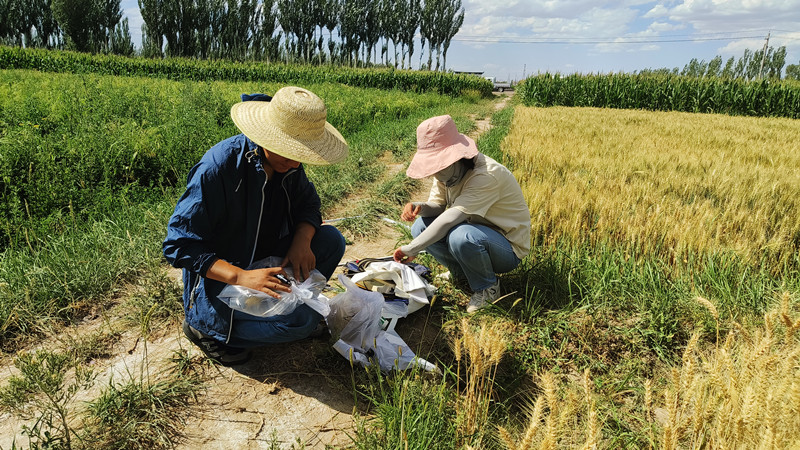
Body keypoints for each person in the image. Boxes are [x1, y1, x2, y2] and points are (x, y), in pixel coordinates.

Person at [163, 86, 348, 366]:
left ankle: (278, 312)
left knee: (331, 239)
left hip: (266, 259)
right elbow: (179, 246)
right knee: (302, 321)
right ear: (266, 136)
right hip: (224, 280)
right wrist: (241, 277)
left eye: (301, 154)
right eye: (288, 151)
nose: (295, 161)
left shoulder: (289, 164)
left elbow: (308, 205)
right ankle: (208, 331)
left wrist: (302, 239)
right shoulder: (219, 168)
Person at [392, 115, 531, 313]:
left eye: (437, 165)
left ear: (456, 157)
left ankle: (488, 287)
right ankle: (461, 272)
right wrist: (419, 207)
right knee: (420, 226)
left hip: (506, 246)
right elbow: (438, 206)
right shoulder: (448, 173)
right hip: (475, 230)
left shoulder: (486, 176)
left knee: (462, 236)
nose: (433, 173)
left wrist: (412, 248)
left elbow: (450, 218)